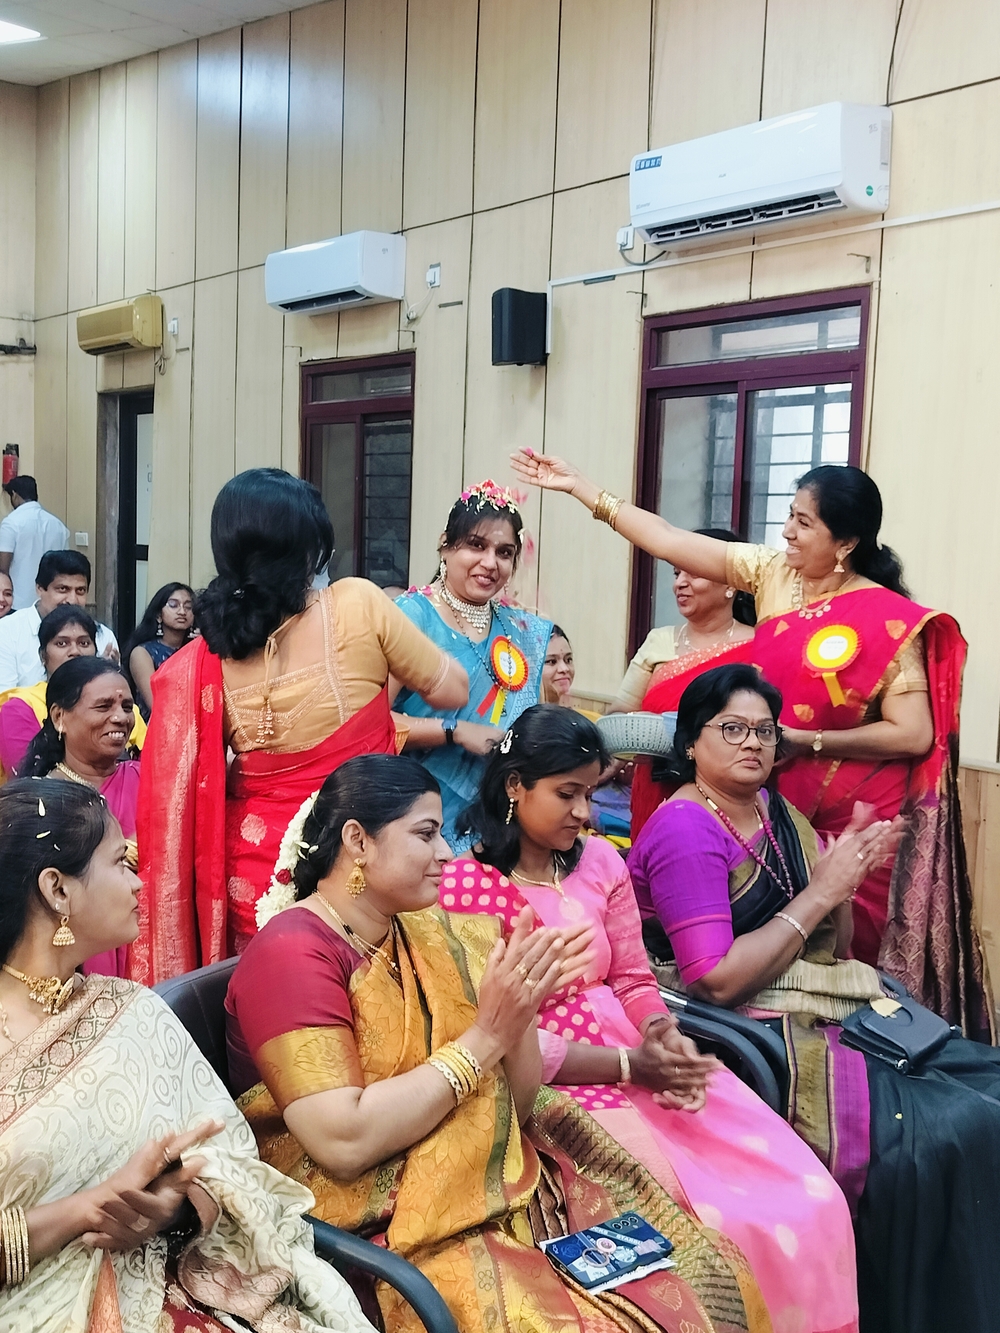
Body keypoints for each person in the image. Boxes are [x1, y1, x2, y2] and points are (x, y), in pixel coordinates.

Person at [228, 754, 771, 1333]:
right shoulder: (293, 953)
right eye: (426, 834)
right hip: (366, 1222)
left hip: (486, 1176)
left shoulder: (426, 931)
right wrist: (487, 1036)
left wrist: (518, 1015)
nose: (446, 852)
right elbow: (342, 1141)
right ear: (358, 841)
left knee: (706, 1276)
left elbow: (521, 1100)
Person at [510, 449, 988, 1037]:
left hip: (856, 809)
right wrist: (582, 488)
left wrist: (806, 740)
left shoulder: (888, 619)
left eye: (803, 522)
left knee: (853, 953)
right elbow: (667, 538)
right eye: (789, 515)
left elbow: (913, 733)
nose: (786, 531)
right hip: (773, 793)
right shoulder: (772, 573)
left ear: (845, 544)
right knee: (756, 938)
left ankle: (874, 1051)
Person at [447, 704, 858, 1333]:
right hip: (551, 1081)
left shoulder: (599, 863)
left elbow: (634, 980)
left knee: (808, 1195)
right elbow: (500, 1036)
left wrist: (664, 1037)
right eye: (567, 794)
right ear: (514, 787)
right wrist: (629, 1066)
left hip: (636, 1054)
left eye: (591, 794)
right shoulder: (463, 888)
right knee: (704, 1225)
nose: (585, 813)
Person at [632, 663, 1000, 1333]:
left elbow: (831, 945)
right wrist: (823, 890)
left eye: (765, 730)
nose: (753, 742)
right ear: (689, 742)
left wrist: (843, 877)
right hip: (744, 1022)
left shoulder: (777, 813)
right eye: (732, 728)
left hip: (812, 998)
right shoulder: (687, 827)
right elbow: (716, 979)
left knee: (987, 1084)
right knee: (945, 1133)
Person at [0, 776, 377, 1333]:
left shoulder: (133, 1010)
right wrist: (86, 1209)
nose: (138, 880)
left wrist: (174, 1208)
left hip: (185, 1282)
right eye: (120, 862)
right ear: (57, 889)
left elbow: (228, 1154)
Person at [133, 468, 467, 985]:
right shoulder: (356, 603)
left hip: (254, 882)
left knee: (274, 1012)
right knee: (373, 1012)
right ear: (311, 547)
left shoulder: (210, 651)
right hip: (362, 867)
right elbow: (453, 690)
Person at [392, 481, 552, 851]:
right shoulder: (411, 617)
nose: (490, 563)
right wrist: (455, 731)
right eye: (476, 545)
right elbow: (367, 723)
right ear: (445, 546)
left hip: (500, 818)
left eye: (504, 552)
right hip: (419, 815)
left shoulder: (519, 629)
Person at [609, 531, 756, 839]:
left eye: (693, 573)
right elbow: (620, 713)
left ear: (731, 584)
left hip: (728, 794)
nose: (679, 583)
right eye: (677, 573)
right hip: (656, 789)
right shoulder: (658, 640)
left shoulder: (759, 645)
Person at [22, 656, 142, 977]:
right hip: (74, 958)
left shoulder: (154, 781)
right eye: (103, 707)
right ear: (59, 717)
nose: (120, 717)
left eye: (127, 707)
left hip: (152, 941)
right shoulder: (38, 802)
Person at [0, 606, 146, 781]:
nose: (75, 651)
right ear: (43, 656)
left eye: (84, 643)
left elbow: (151, 764)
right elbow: (27, 776)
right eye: (62, 643)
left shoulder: (124, 706)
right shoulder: (20, 707)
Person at [0, 549, 119, 691]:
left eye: (80, 591)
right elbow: (4, 697)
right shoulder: (7, 631)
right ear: (39, 589)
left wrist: (105, 675)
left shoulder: (103, 636)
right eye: (63, 589)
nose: (72, 600)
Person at [124, 581, 196, 720]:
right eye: (173, 605)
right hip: (156, 724)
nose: (182, 612)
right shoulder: (142, 653)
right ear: (158, 615)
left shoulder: (196, 651)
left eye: (188, 607)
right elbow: (156, 705)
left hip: (195, 722)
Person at [0, 475, 70, 610]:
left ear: (14, 495)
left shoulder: (11, 523)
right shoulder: (58, 526)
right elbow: (65, 567)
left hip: (18, 602)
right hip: (50, 601)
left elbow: (3, 568)